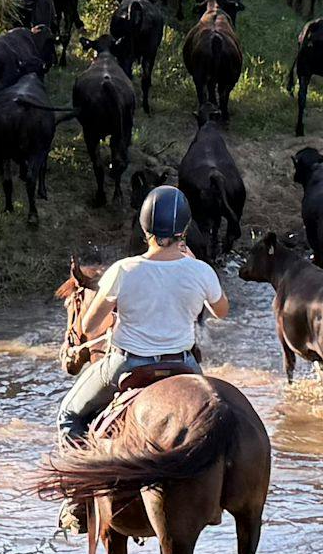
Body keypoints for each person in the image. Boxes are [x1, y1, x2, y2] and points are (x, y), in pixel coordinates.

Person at [59, 185, 232, 445]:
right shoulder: (202, 271)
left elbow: (89, 324)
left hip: (126, 365)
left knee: (68, 415)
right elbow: (221, 312)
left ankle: (77, 482)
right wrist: (196, 267)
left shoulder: (123, 270)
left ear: (144, 229)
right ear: (183, 231)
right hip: (183, 364)